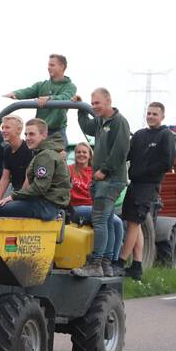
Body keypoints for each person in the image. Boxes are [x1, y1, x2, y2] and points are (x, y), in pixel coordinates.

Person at [72, 88, 131, 278]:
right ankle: (106, 264)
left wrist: (104, 170)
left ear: (108, 101)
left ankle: (95, 263)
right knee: (106, 220)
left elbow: (121, 150)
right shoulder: (99, 121)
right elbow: (87, 128)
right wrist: (81, 110)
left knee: (99, 220)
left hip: (111, 179)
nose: (95, 106)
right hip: (103, 179)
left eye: (97, 103)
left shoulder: (119, 122)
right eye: (92, 103)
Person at [116, 102, 176, 280]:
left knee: (134, 224)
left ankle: (121, 262)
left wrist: (145, 171)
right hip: (134, 184)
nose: (151, 116)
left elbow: (167, 162)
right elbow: (126, 153)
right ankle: (137, 266)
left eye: (155, 114)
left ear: (162, 117)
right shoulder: (140, 134)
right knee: (136, 225)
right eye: (149, 113)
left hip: (149, 186)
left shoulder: (166, 135)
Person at [0, 119, 69, 221]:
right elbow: (6, 177)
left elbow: (39, 187)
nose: (27, 138)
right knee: (2, 206)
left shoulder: (46, 155)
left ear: (44, 135)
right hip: (45, 203)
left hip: (45, 206)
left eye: (32, 134)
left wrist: (13, 197)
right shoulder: (42, 153)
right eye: (26, 134)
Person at [3, 54, 76, 147]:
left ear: (62, 67)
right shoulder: (42, 85)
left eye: (52, 65)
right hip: (39, 131)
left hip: (57, 132)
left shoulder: (70, 87)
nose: (48, 68)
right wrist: (15, 93)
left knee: (58, 156)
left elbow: (65, 97)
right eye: (48, 65)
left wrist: (50, 99)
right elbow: (28, 91)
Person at [69, 142, 125, 264]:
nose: (81, 154)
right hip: (76, 208)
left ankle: (114, 261)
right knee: (110, 218)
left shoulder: (95, 172)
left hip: (94, 206)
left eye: (84, 152)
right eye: (78, 152)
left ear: (90, 155)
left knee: (117, 222)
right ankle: (100, 260)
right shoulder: (69, 170)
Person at [0, 115, 33, 200]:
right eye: (2, 127)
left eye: (7, 127)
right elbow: (5, 178)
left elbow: (28, 180)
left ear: (19, 130)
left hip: (28, 195)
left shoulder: (28, 149)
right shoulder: (7, 150)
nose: (3, 130)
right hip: (15, 191)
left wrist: (16, 198)